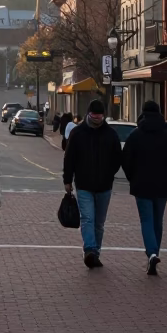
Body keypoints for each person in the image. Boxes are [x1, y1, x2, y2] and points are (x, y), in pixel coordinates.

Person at [122, 98, 167, 276]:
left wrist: (131, 177)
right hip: (162, 184)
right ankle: (155, 251)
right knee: (158, 220)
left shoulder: (135, 135)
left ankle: (151, 252)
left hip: (141, 185)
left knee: (146, 220)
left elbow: (126, 159)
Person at [63, 99, 123, 269]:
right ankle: (89, 249)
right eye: (94, 115)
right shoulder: (78, 133)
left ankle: (95, 253)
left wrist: (109, 172)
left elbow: (117, 158)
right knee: (88, 218)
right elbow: (69, 158)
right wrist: (67, 180)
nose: (97, 118)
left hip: (104, 185)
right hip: (83, 184)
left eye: (99, 115)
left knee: (99, 223)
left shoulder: (110, 134)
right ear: (89, 114)